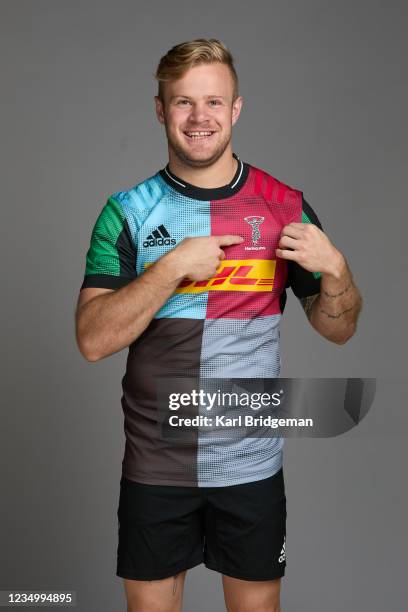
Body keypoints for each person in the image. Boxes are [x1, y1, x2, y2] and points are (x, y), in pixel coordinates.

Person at [75, 38, 362, 612]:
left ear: (235, 109)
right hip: (158, 463)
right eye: (183, 102)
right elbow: (93, 340)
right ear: (161, 110)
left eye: (213, 102)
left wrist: (337, 272)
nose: (199, 117)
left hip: (251, 463)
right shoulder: (128, 211)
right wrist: (172, 269)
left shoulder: (285, 206)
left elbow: (338, 329)